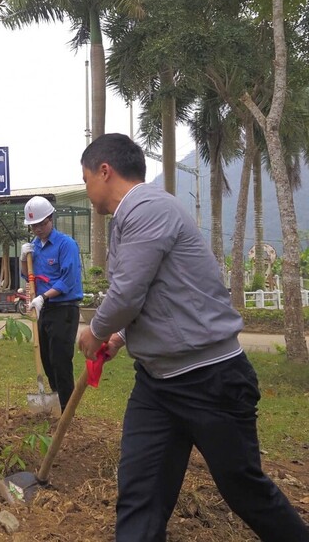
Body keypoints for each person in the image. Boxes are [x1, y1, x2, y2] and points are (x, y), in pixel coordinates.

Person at [77, 133, 309, 542]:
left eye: (85, 179)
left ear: (104, 171)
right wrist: (121, 337)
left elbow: (128, 291)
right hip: (157, 385)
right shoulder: (130, 218)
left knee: (245, 490)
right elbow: (159, 295)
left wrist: (95, 332)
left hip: (211, 380)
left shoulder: (149, 208)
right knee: (140, 495)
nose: (86, 189)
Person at [19, 195, 83, 412]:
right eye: (33, 225)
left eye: (40, 224)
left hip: (63, 309)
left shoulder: (66, 245)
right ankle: (55, 403)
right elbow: (26, 275)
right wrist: (22, 257)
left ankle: (67, 410)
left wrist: (44, 297)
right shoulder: (34, 247)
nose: (37, 229)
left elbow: (67, 280)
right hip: (43, 309)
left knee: (60, 360)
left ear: (50, 219)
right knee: (46, 358)